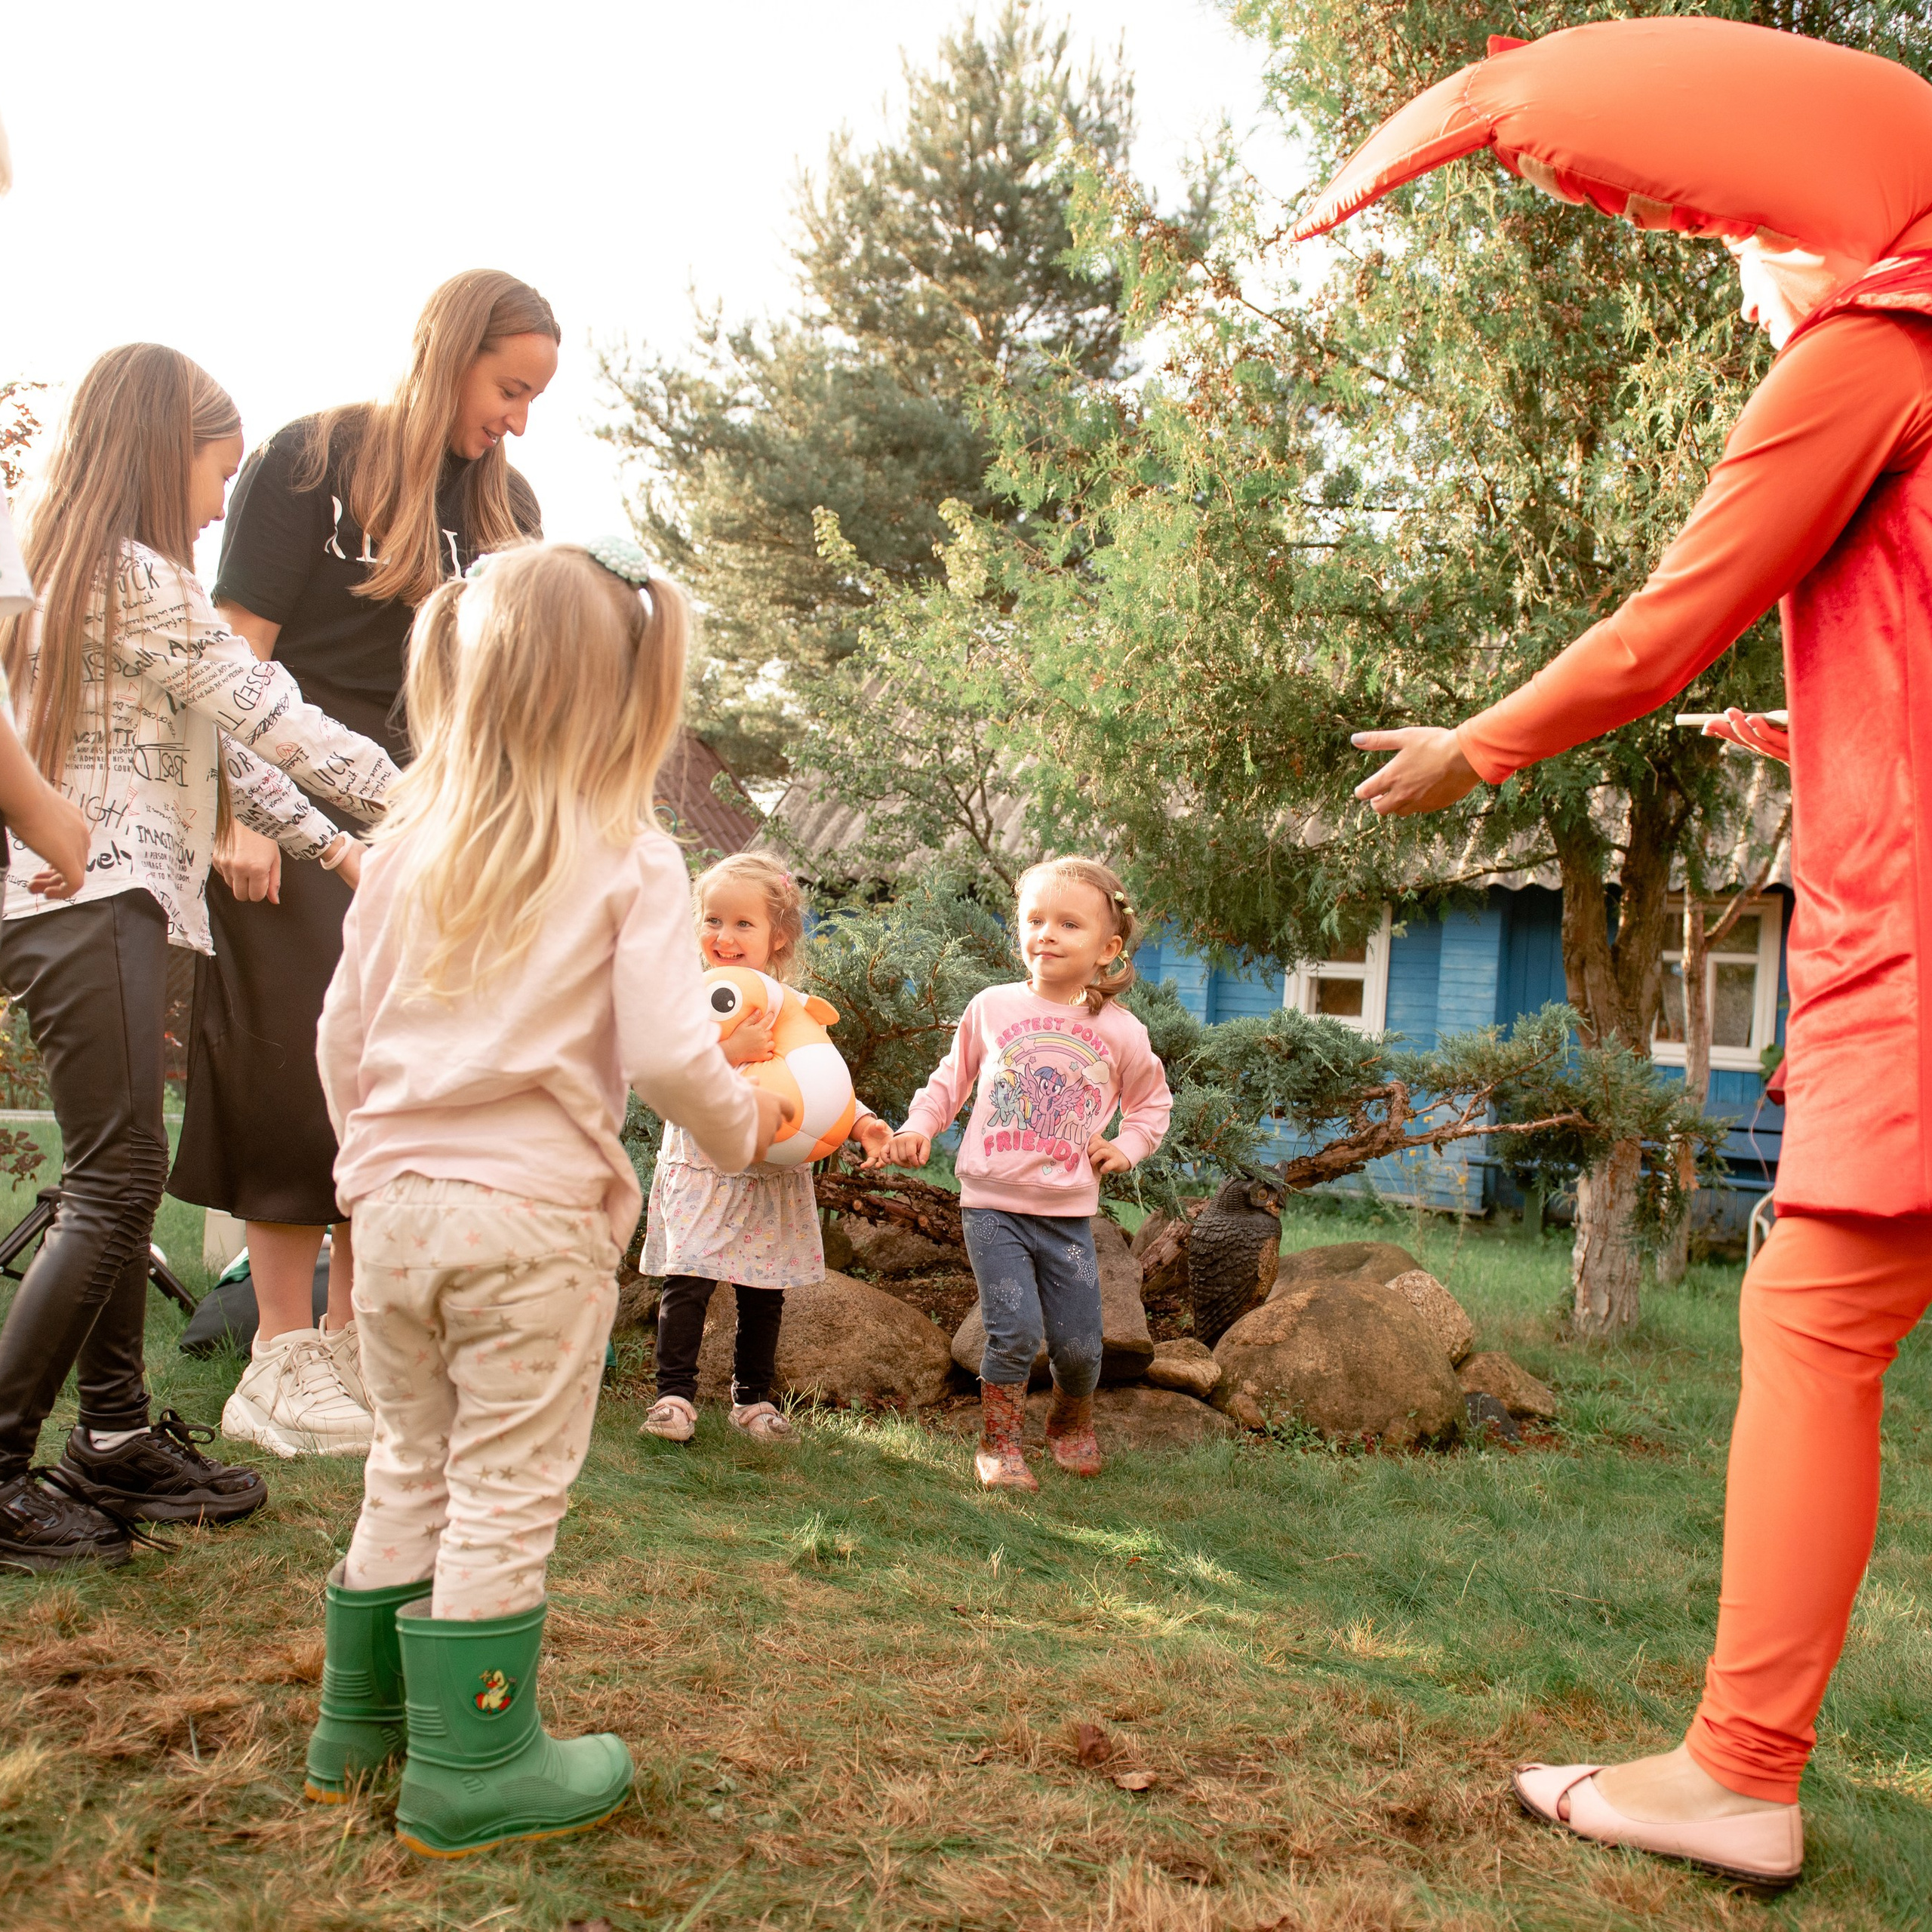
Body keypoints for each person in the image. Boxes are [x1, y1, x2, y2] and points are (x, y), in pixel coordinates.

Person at [1296, 15, 1932, 1889]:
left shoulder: (1877, 348)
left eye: (1741, 247)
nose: (1743, 287)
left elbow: (1666, 620)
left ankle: (1735, 1767)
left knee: (1812, 1311)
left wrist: (1468, 747)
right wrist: (1805, 740)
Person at [306, 537, 795, 1857]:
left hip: (395, 1208)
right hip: (530, 1222)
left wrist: (370, 1171)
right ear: (622, 695)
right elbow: (662, 1048)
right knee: (508, 1486)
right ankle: (474, 1764)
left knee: (410, 1459)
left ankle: (358, 1731)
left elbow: (341, 1036)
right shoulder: (629, 856)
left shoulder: (411, 846)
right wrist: (745, 1124)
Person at [0, 344, 400, 1574]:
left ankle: (114, 1437)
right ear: (159, 449)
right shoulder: (126, 578)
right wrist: (426, 812)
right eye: (216, 471)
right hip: (90, 901)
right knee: (119, 1182)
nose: (225, 502)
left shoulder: (106, 577)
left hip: (123, 903)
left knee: (117, 1180)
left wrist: (346, 853)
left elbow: (239, 765)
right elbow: (270, 715)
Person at [169, 270, 558, 1460]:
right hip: (286, 812)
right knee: (298, 1061)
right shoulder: (310, 461)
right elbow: (233, 652)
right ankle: (277, 1353)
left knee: (395, 1089)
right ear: (449, 353)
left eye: (536, 396)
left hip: (426, 836)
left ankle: (349, 1342)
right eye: (508, 388)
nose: (519, 420)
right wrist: (241, 808)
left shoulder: (509, 508)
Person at [884, 857, 1171, 1490]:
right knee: (1013, 1330)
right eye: (1034, 919)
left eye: (1069, 924)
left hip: (1068, 1215)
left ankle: (1070, 1419)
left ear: (1107, 948)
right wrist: (918, 1128)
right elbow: (949, 1081)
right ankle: (998, 1447)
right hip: (991, 1206)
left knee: (1081, 1348)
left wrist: (1127, 1146)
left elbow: (1154, 1103)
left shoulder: (1120, 1031)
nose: (1046, 933)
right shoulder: (993, 1007)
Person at [641, 853, 892, 1446]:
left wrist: (865, 1124)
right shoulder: (691, 997)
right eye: (712, 920)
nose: (724, 937)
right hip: (705, 1167)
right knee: (689, 1282)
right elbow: (665, 1074)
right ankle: (672, 1397)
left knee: (763, 1293)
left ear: (777, 936)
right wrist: (730, 1052)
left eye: (742, 924)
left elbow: (817, 1087)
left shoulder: (793, 1008)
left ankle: (753, 1401)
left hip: (768, 1179)